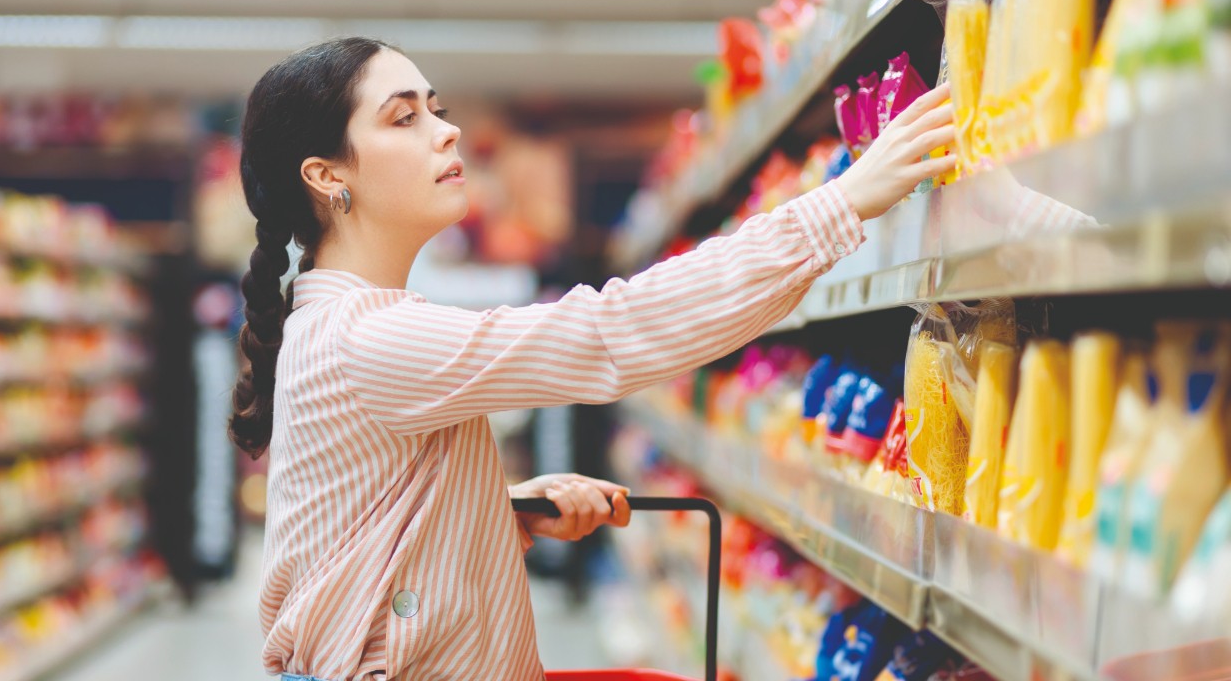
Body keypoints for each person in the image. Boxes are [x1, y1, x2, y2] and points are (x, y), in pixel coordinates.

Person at [229, 37, 956, 681]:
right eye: (404, 117)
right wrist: (842, 204)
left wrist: (493, 514)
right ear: (328, 177)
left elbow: (352, 530)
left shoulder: (343, 325)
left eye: (436, 108)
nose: (447, 131)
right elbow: (611, 332)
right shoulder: (366, 338)